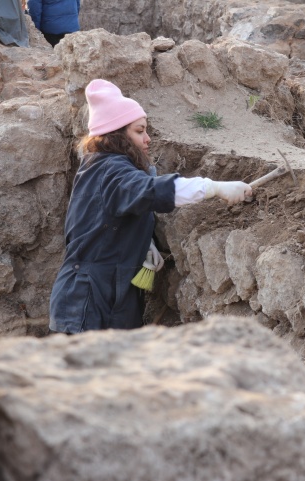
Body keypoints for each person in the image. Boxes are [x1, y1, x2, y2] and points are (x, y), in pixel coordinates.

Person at [48, 79, 253, 333]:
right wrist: (215, 187)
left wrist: (144, 243)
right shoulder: (111, 171)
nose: (147, 139)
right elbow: (150, 191)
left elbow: (110, 219)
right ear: (117, 134)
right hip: (87, 304)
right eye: (139, 130)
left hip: (106, 297)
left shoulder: (102, 167)